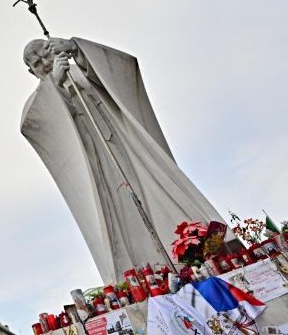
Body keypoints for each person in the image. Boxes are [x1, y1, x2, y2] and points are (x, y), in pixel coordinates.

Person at [20, 37, 227, 284]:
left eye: (46, 53)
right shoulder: (40, 101)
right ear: (31, 71)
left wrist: (76, 49)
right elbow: (33, 126)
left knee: (159, 194)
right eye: (37, 62)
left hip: (125, 145)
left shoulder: (82, 70)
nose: (45, 62)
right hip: (97, 163)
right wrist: (54, 85)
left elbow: (123, 70)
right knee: (121, 217)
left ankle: (204, 253)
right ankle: (148, 274)